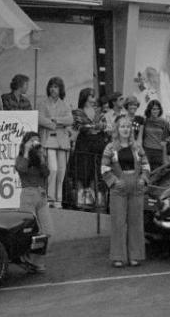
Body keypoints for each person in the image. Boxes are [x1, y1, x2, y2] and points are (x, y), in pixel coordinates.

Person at [101, 115, 151, 267]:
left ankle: (135, 256)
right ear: (117, 129)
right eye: (122, 126)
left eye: (128, 127)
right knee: (118, 223)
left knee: (136, 222)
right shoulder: (110, 147)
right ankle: (118, 257)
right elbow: (104, 168)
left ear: (131, 130)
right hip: (119, 190)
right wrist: (114, 182)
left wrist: (143, 179)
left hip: (136, 188)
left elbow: (146, 166)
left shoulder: (137, 147)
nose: (125, 129)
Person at [15, 132, 51, 273]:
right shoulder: (21, 157)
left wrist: (40, 156)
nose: (35, 143)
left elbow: (46, 173)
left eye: (37, 140)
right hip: (28, 194)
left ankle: (34, 261)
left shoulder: (40, 157)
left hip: (41, 195)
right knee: (29, 231)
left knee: (47, 231)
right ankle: (26, 259)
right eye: (32, 141)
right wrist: (26, 150)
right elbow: (22, 169)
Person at [38, 77, 74, 208]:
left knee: (61, 171)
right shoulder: (42, 103)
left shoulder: (64, 104)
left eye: (56, 87)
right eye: (51, 86)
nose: (53, 89)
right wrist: (55, 124)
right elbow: (40, 119)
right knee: (52, 169)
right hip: (48, 140)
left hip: (62, 142)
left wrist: (54, 120)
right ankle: (50, 197)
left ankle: (58, 199)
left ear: (61, 89)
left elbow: (70, 120)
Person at [71, 87, 106, 207]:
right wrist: (94, 127)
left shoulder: (98, 111)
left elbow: (104, 125)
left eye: (94, 96)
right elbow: (79, 126)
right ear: (85, 97)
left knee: (94, 172)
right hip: (83, 145)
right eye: (91, 96)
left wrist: (92, 126)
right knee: (82, 172)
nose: (94, 99)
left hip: (96, 144)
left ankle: (91, 200)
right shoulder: (77, 111)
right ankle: (81, 200)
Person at [140, 100, 170, 169]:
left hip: (159, 152)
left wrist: (166, 141)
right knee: (147, 174)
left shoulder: (163, 122)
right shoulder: (145, 121)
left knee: (158, 175)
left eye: (158, 109)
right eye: (153, 109)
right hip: (146, 151)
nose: (156, 111)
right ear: (149, 110)